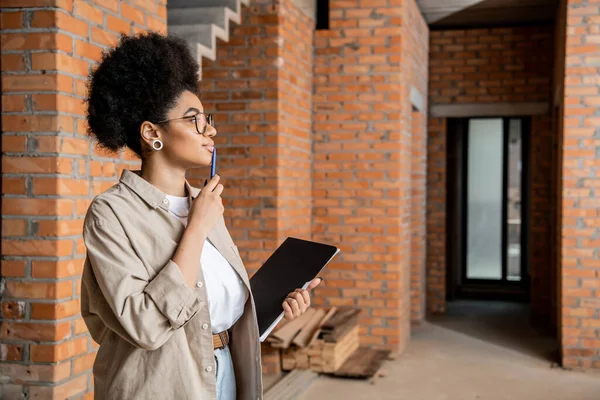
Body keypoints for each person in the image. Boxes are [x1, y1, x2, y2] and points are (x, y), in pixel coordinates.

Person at [80, 31, 320, 400]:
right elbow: (145, 326)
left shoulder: (204, 203)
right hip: (161, 387)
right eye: (193, 119)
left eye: (207, 118)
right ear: (151, 133)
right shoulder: (111, 214)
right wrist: (196, 228)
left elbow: (213, 309)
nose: (211, 130)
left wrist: (273, 311)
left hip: (226, 376)